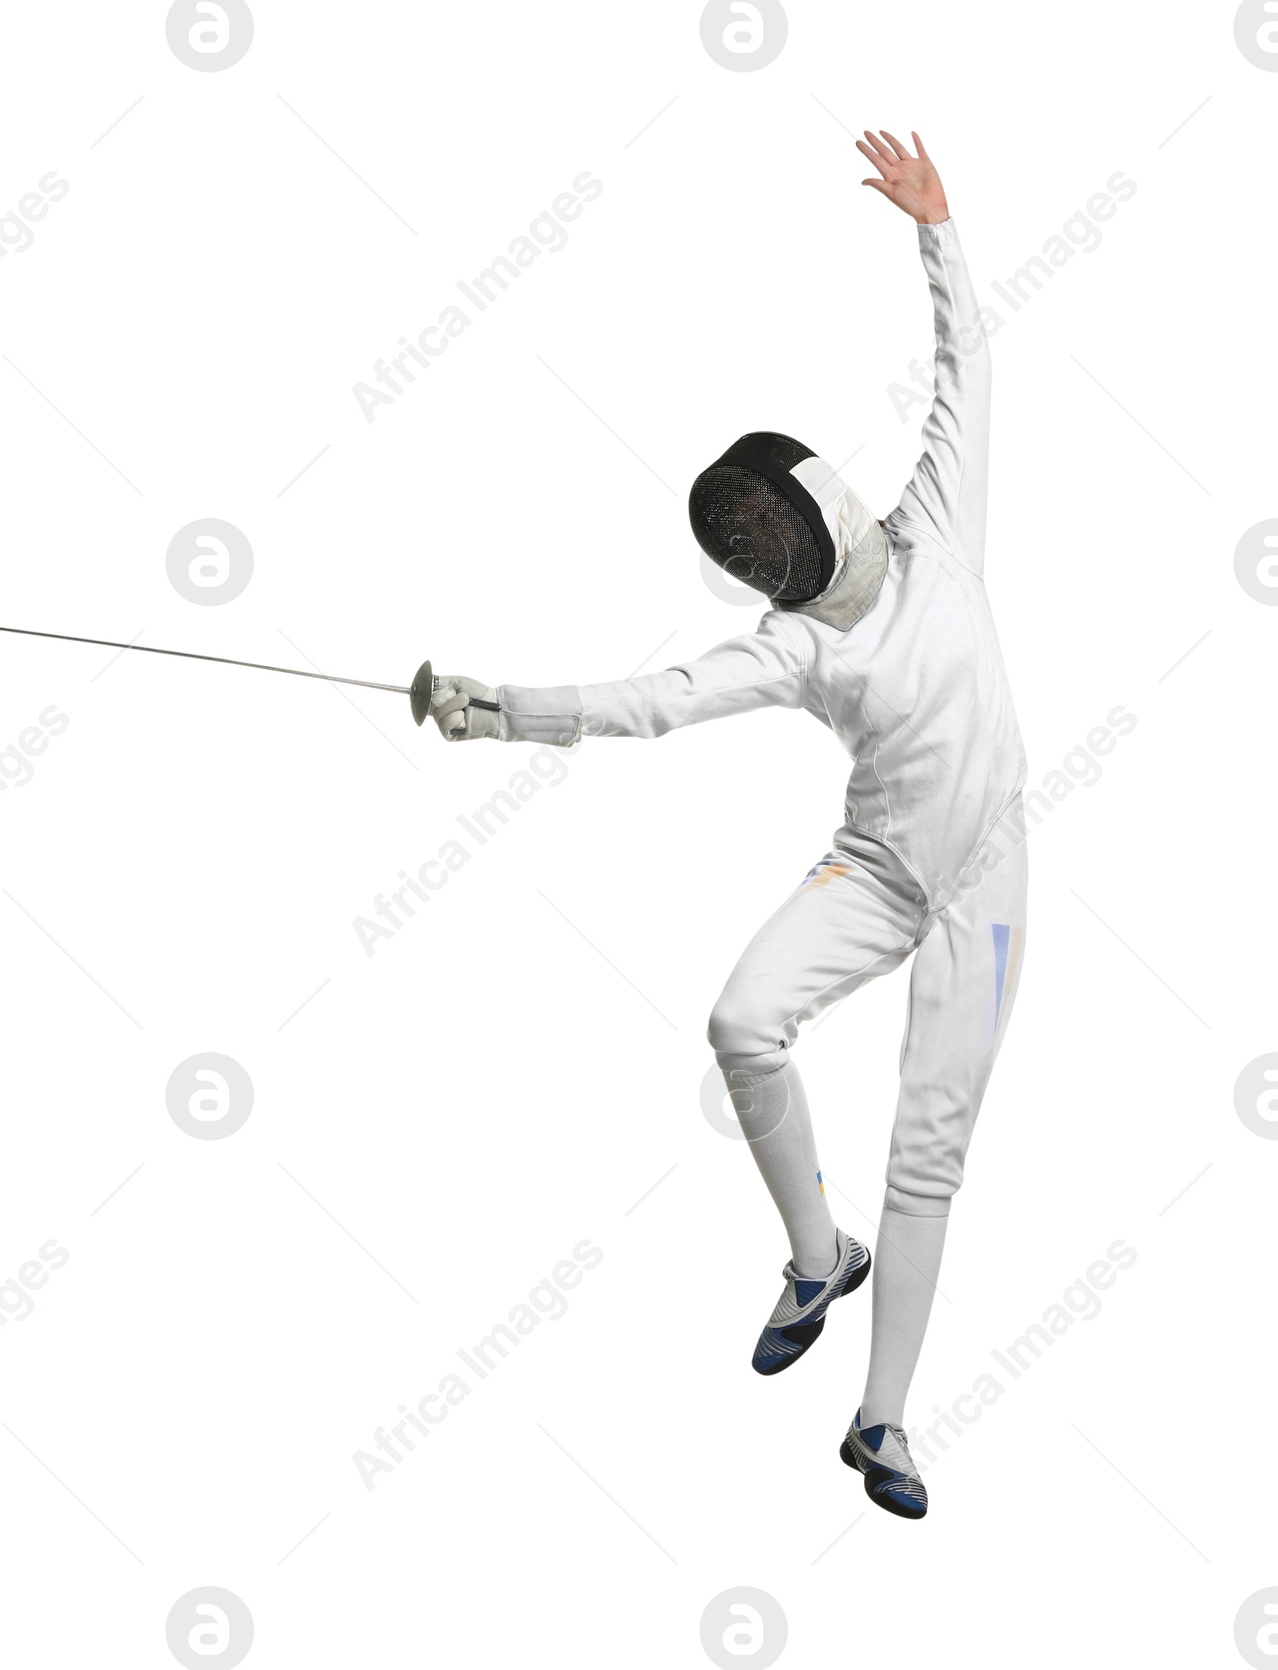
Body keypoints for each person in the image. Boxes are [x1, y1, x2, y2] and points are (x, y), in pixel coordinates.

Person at [426, 132, 1027, 1520]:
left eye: (777, 529)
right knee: (742, 1023)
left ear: (821, 496)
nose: (776, 555)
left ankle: (883, 1423)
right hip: (877, 871)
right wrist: (496, 709)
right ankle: (820, 1256)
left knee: (927, 1146)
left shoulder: (938, 523)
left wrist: (937, 229)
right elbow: (651, 703)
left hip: (988, 882)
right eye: (756, 547)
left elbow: (969, 370)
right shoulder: (794, 645)